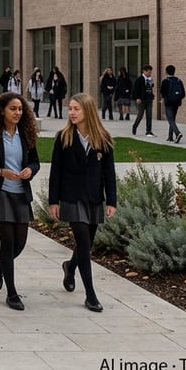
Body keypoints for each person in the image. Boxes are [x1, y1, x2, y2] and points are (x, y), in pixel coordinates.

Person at [49, 93, 117, 313]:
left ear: (87, 111)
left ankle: (70, 267)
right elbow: (55, 172)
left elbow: (109, 173)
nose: (71, 112)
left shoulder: (103, 138)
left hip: (94, 198)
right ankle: (90, 294)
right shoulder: (64, 137)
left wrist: (111, 201)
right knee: (84, 244)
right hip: (71, 197)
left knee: (85, 243)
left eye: (76, 108)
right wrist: (53, 201)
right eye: (70, 108)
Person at [0, 93, 40, 311]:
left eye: (20, 109)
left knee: (20, 242)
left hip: (20, 193)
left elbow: (35, 161)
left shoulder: (26, 134)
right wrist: (1, 172)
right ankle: (12, 293)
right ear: (2, 110)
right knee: (8, 242)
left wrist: (30, 170)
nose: (17, 113)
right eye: (13, 109)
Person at [160, 64, 185, 144]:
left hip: (168, 102)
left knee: (170, 119)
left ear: (166, 72)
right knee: (172, 119)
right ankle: (170, 137)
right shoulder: (179, 81)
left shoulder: (165, 81)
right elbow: (183, 94)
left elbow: (162, 92)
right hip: (177, 102)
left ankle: (177, 133)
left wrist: (163, 98)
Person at [131, 64, 155, 137]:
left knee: (149, 115)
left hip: (149, 99)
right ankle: (134, 126)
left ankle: (148, 131)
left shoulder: (150, 79)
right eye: (149, 72)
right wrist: (137, 98)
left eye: (150, 72)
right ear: (144, 71)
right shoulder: (139, 79)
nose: (150, 73)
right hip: (141, 100)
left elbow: (151, 88)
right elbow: (135, 89)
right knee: (140, 115)